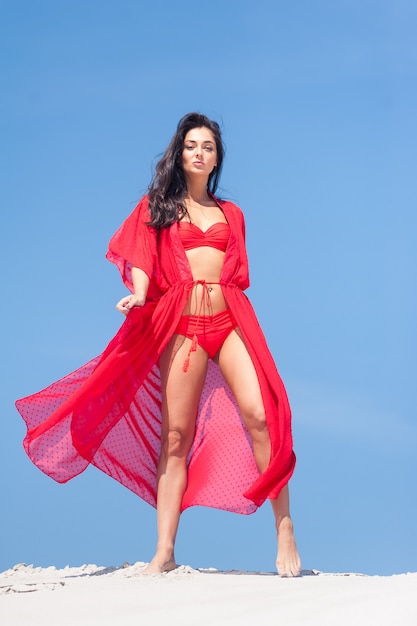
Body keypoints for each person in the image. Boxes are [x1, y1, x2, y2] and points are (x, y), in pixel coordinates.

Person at [16, 113, 301, 577]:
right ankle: (165, 550)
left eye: (208, 146)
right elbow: (144, 253)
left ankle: (284, 526)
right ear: (180, 152)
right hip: (182, 323)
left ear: (216, 158)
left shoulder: (232, 214)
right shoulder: (160, 205)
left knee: (262, 415)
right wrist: (142, 294)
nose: (200, 153)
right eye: (192, 145)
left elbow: (237, 272)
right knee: (175, 437)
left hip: (229, 319)